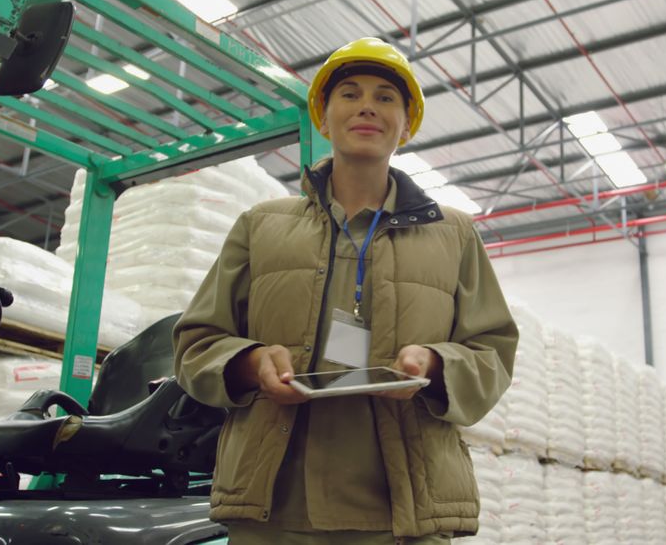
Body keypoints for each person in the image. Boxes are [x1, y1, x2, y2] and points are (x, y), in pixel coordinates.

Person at [173, 37, 518, 545]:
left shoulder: (454, 234)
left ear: (406, 125)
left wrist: (435, 364)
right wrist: (250, 363)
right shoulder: (261, 226)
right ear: (324, 117)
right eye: (350, 94)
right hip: (275, 508)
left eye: (385, 98)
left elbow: (493, 352)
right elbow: (196, 341)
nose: (366, 108)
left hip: (403, 512)